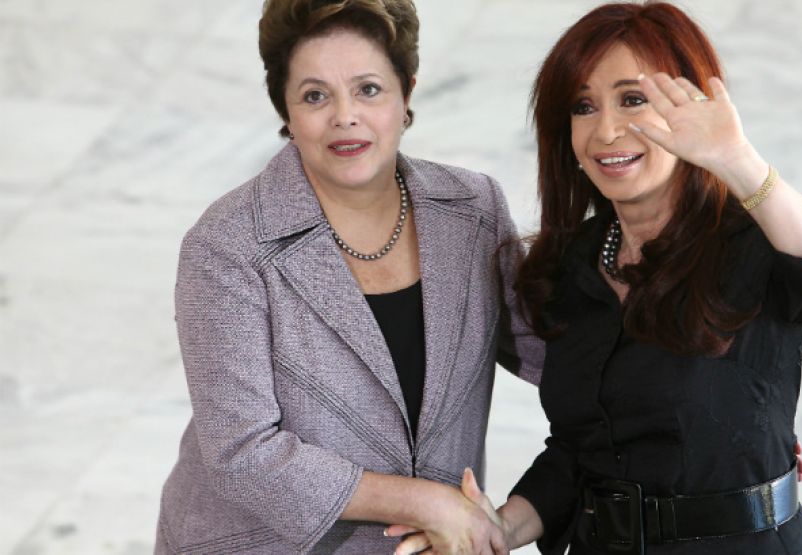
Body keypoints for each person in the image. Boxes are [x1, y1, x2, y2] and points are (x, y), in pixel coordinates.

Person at [396, 2, 802, 554]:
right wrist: (500, 529)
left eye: (633, 100)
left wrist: (737, 159)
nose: (606, 130)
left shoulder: (752, 240)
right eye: (583, 106)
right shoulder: (568, 266)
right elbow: (579, 452)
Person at [153, 0, 542, 553]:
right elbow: (241, 454)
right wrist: (423, 500)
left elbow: (556, 357)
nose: (345, 116)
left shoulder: (473, 210)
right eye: (315, 96)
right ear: (285, 110)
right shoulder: (227, 246)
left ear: (406, 93)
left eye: (368, 89)